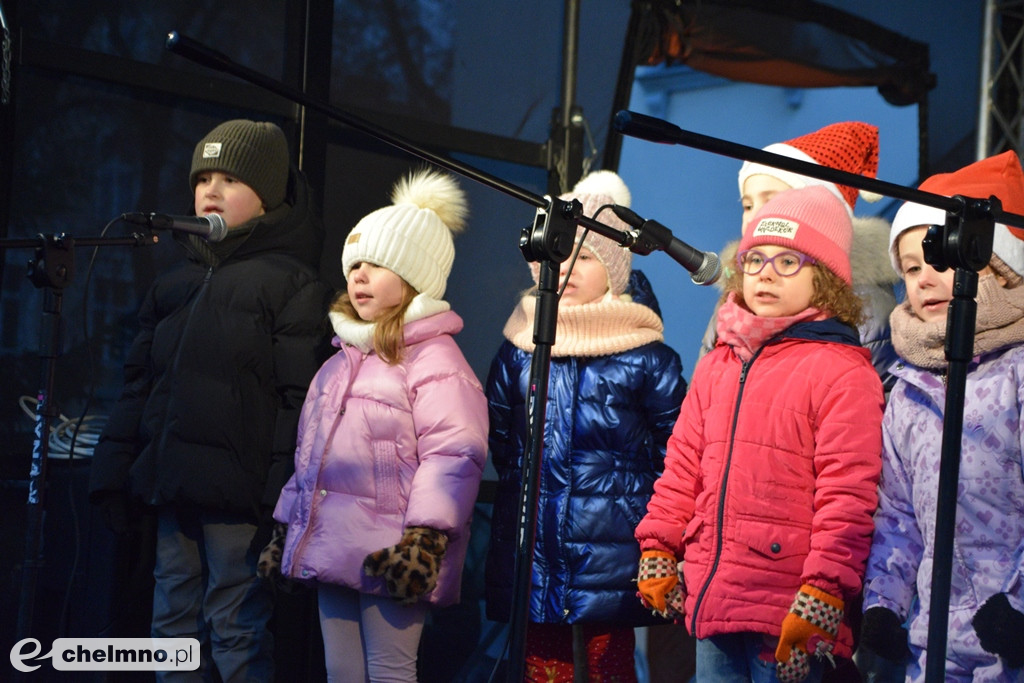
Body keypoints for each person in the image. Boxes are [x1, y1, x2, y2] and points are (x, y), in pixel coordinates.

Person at [88, 119, 332, 681]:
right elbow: (138, 384)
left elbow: (299, 402)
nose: (211, 192)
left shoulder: (290, 284)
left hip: (238, 501)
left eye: (230, 179)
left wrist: (281, 493)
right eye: (203, 178)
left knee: (236, 626)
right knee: (170, 623)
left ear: (269, 198)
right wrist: (113, 466)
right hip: (173, 488)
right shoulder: (175, 283)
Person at [635, 185, 884, 683]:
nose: (766, 271)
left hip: (792, 607)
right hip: (715, 594)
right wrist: (658, 546)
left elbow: (849, 495)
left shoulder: (843, 371)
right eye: (755, 259)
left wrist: (823, 592)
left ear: (827, 279)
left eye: (789, 260)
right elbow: (682, 466)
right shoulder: (719, 364)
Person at [269, 167, 488, 682]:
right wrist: (287, 524)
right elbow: (310, 457)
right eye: (354, 265)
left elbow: (455, 453)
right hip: (332, 539)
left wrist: (425, 539)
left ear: (414, 278)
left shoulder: (435, 360)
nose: (358, 276)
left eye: (377, 264)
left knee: (390, 670)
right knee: (341, 671)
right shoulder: (338, 361)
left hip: (394, 552)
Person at [484, 170, 687, 682]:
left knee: (603, 667)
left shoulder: (645, 356)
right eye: (558, 254)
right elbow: (504, 443)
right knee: (538, 667)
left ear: (615, 271)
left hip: (611, 560)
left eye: (587, 256)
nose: (567, 267)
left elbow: (677, 453)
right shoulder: (519, 349)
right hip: (533, 552)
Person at [858, 150, 1024, 682]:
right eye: (909, 268)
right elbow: (898, 515)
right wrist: (883, 602)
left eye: (939, 259)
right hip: (933, 643)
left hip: (1010, 636)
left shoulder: (1017, 375)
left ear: (995, 264)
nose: (923, 279)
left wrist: (1020, 606)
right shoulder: (909, 390)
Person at [698, 122, 900, 392]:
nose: (757, 215)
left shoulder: (866, 305)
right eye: (747, 205)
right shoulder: (735, 300)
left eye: (771, 201)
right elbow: (700, 394)